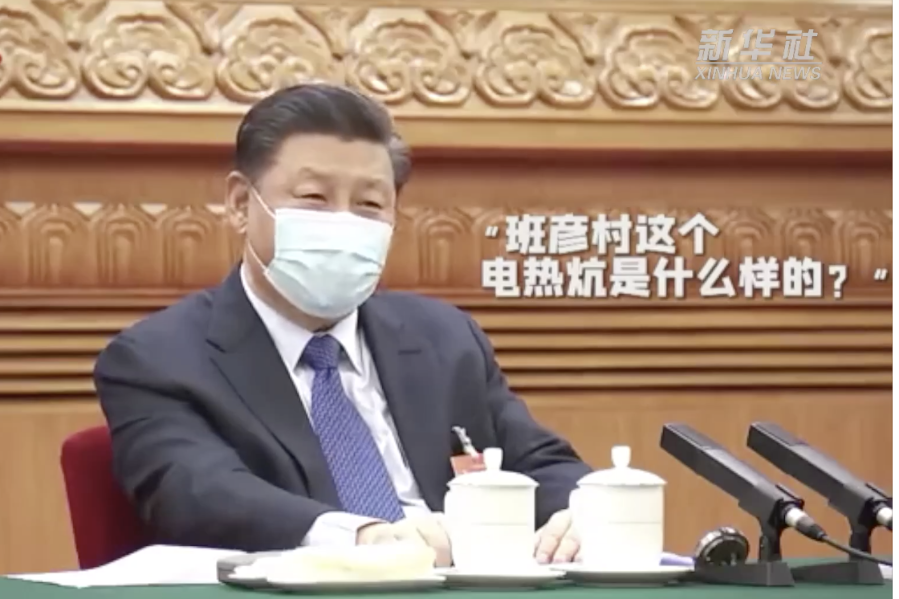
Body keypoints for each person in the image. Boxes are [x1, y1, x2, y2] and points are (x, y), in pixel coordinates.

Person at [94, 83, 592, 568]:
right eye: (314, 197)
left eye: (369, 204)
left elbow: (541, 463)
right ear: (242, 204)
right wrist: (363, 539)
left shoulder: (445, 339)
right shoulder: (157, 359)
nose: (343, 222)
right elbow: (198, 494)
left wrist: (581, 511)